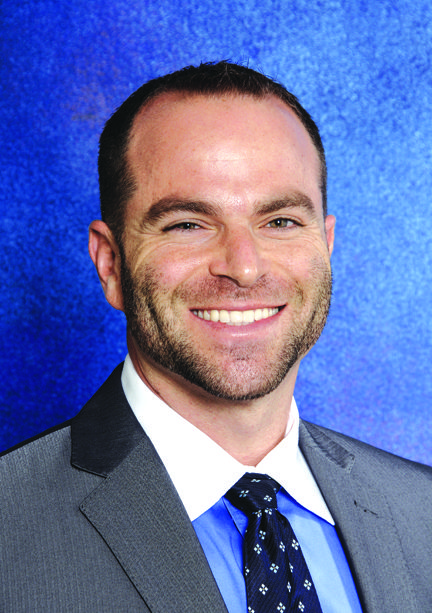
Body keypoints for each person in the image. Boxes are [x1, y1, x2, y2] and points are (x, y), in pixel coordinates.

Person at [0, 61, 431, 613]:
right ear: (111, 264)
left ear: (325, 246)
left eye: (280, 221)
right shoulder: (12, 526)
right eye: (187, 224)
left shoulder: (421, 512)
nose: (244, 268)